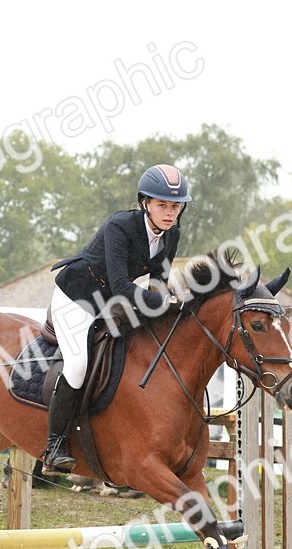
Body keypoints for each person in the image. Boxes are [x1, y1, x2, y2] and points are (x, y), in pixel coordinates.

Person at [41, 163, 190, 473]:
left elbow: (157, 282)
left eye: (175, 205)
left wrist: (169, 303)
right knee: (79, 364)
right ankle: (54, 446)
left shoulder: (171, 234)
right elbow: (123, 285)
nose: (170, 211)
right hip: (77, 297)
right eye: (162, 204)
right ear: (145, 203)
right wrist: (164, 302)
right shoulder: (120, 226)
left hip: (110, 300)